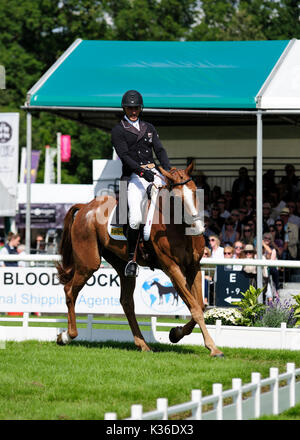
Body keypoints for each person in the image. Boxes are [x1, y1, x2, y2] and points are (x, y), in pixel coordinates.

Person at [111, 90, 171, 277]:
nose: (133, 111)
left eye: (136, 108)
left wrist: (168, 172)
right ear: (124, 108)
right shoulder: (118, 130)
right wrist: (142, 172)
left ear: (140, 108)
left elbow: (160, 151)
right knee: (136, 218)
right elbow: (125, 156)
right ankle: (131, 259)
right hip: (134, 176)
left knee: (174, 202)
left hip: (153, 171)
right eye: (130, 108)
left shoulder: (149, 127)